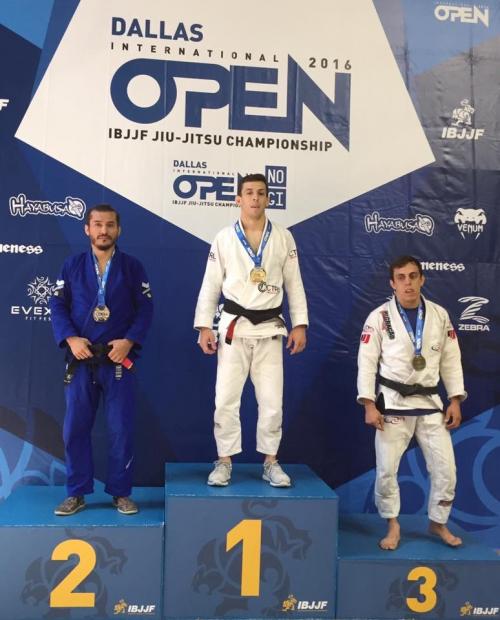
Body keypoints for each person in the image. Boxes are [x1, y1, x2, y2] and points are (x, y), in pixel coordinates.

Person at [194, 173, 308, 487]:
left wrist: (300, 324)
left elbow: (294, 284)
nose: (255, 198)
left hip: (270, 329)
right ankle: (224, 461)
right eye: (249, 192)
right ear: (238, 199)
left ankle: (271, 462)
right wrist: (204, 326)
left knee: (271, 402)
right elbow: (210, 284)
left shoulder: (283, 237)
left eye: (260, 192)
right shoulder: (224, 238)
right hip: (234, 329)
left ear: (268, 198)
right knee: (225, 400)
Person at [49, 204, 153, 515]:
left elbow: (145, 309)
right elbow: (58, 306)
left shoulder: (132, 267)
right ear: (87, 229)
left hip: (117, 360)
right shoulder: (72, 265)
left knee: (121, 429)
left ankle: (120, 492)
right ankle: (77, 492)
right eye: (97, 224)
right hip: (81, 359)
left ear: (118, 230)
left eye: (109, 225)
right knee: (74, 429)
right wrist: (71, 339)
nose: (103, 231)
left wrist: (129, 341)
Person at [357, 255, 466, 549]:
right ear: (392, 283)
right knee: (386, 469)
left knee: (446, 469)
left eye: (413, 276)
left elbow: (451, 359)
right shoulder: (379, 317)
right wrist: (369, 404)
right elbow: (366, 363)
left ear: (422, 279)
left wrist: (455, 399)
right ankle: (392, 524)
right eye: (401, 277)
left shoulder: (439, 315)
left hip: (430, 402)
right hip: (392, 402)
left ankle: (438, 522)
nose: (408, 283)